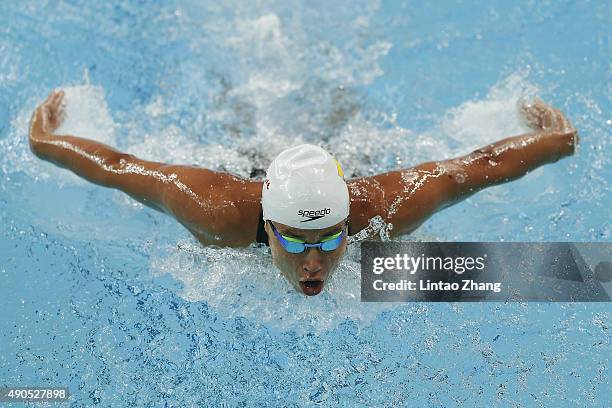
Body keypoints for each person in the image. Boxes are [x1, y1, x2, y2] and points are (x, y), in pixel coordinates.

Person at [29, 90, 579, 295]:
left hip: (352, 171)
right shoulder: (217, 210)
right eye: (293, 243)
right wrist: (44, 141)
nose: (314, 263)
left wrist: (555, 141)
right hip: (244, 173)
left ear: (349, 225)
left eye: (328, 240)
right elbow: (123, 167)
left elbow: (471, 168)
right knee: (243, 125)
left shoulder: (383, 210)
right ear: (266, 227)